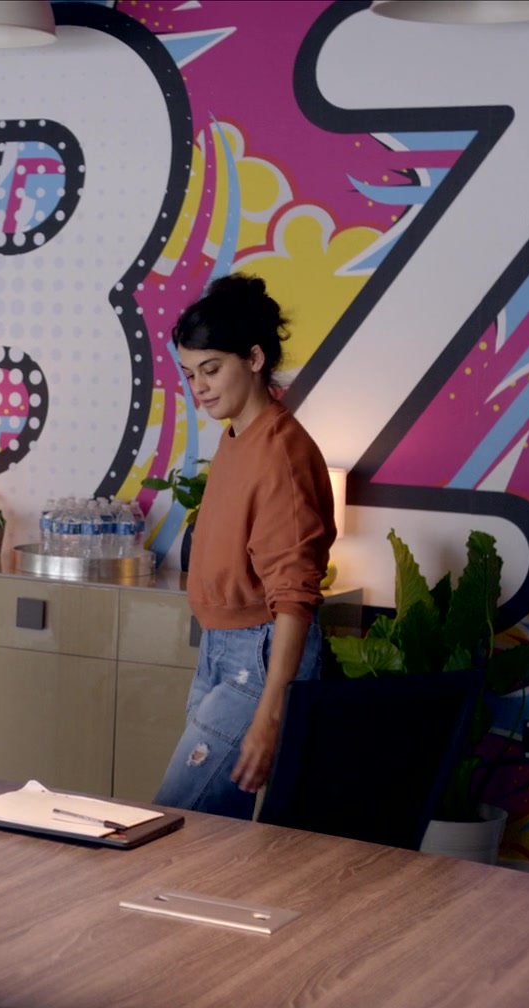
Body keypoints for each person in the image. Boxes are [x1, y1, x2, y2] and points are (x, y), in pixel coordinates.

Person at [153, 274, 336, 819]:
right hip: (221, 651)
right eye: (191, 374)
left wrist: (270, 712)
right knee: (208, 831)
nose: (200, 387)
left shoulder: (281, 453)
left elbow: (295, 598)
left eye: (211, 369)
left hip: (258, 659)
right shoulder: (236, 436)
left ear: (254, 358)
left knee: (177, 819)